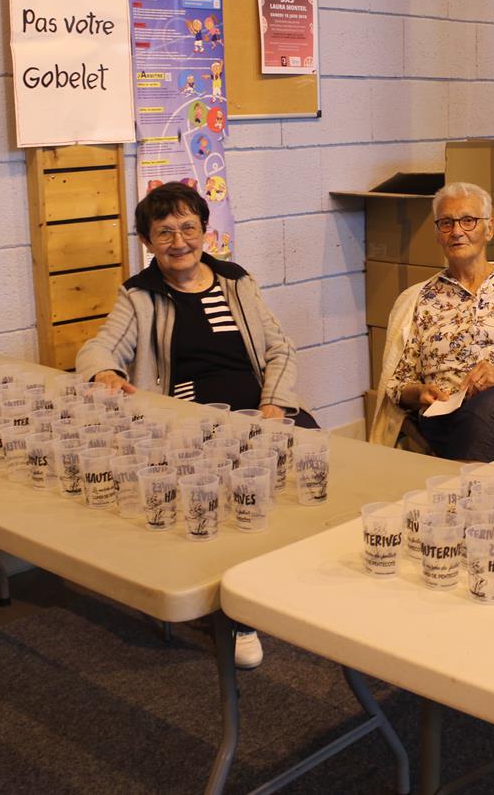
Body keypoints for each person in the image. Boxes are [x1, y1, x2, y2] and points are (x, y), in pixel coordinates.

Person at [77, 181, 316, 669]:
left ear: (205, 231)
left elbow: (279, 348)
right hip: (190, 416)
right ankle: (237, 614)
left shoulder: (236, 281)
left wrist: (274, 404)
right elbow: (99, 348)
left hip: (257, 403)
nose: (179, 240)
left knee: (307, 452)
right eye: (164, 232)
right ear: (146, 242)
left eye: (189, 227)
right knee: (230, 483)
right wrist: (104, 371)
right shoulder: (140, 295)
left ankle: (290, 576)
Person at [370, 182, 494, 462]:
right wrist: (419, 393)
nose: (457, 231)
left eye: (468, 221)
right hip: (449, 414)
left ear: (489, 228)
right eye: (446, 223)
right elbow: (398, 384)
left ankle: (468, 494)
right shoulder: (421, 299)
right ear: (437, 235)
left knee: (489, 404)